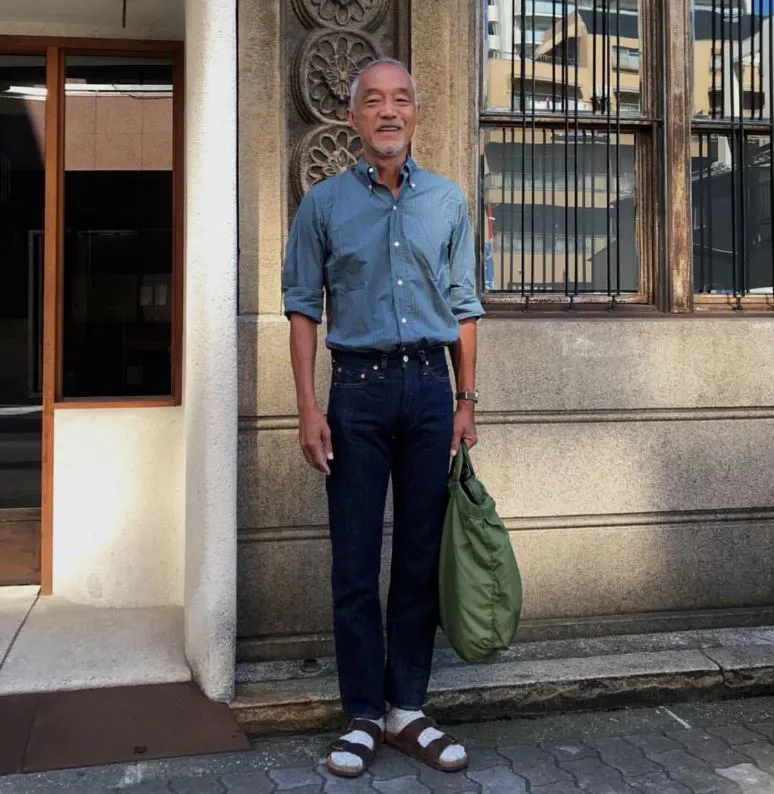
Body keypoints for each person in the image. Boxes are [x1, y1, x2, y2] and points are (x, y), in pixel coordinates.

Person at [281, 57, 484, 779]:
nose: (388, 111)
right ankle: (363, 714)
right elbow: (302, 309)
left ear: (415, 113)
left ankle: (408, 710)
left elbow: (464, 307)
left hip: (429, 390)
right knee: (355, 560)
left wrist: (465, 400)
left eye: (400, 99)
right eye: (373, 100)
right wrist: (308, 407)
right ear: (353, 117)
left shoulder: (447, 202)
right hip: (357, 395)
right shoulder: (323, 205)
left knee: (420, 557)